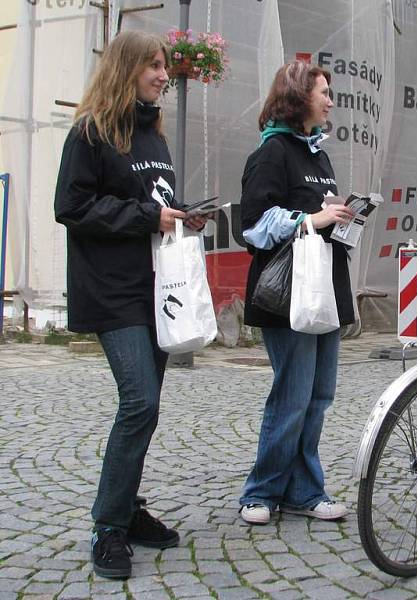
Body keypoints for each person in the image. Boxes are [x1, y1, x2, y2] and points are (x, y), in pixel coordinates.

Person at [54, 31, 206, 579]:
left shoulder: (153, 136)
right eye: (156, 66)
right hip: (111, 291)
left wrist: (182, 214)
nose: (165, 75)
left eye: (165, 67)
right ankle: (107, 526)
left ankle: (128, 507)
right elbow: (70, 206)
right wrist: (147, 218)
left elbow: (151, 204)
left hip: (155, 290)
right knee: (139, 401)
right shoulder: (91, 132)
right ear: (128, 68)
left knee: (148, 406)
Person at [237, 61, 355, 525]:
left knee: (319, 395)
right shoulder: (272, 153)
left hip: (325, 287)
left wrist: (343, 217)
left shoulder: (318, 156)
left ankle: (304, 491)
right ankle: (261, 492)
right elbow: (253, 227)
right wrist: (312, 220)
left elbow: (319, 215)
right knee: (292, 394)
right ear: (298, 96)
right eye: (323, 92)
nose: (330, 100)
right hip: (288, 293)